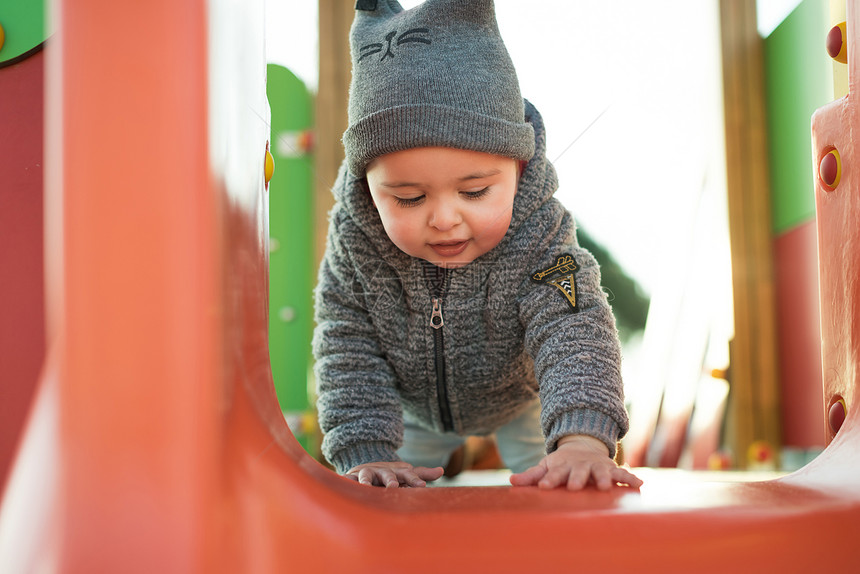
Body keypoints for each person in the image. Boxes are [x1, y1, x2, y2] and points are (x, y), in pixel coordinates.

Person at [312, 0, 642, 491]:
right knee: (386, 495)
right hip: (410, 414)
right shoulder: (357, 244)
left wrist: (582, 436)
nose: (445, 219)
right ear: (368, 187)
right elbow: (346, 341)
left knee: (570, 483)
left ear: (519, 170)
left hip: (524, 401)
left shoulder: (540, 235)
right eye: (408, 197)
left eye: (474, 192)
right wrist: (367, 450)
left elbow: (573, 326)